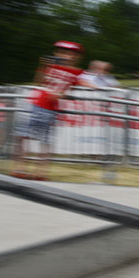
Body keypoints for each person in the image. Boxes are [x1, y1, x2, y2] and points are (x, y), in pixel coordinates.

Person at [12, 41, 95, 180]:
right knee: (23, 136)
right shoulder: (51, 66)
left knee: (44, 140)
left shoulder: (79, 73)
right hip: (33, 102)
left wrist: (63, 95)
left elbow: (89, 84)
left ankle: (41, 172)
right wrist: (42, 66)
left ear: (77, 57)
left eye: (69, 53)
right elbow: (39, 81)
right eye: (61, 52)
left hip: (49, 108)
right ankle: (20, 168)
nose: (64, 56)